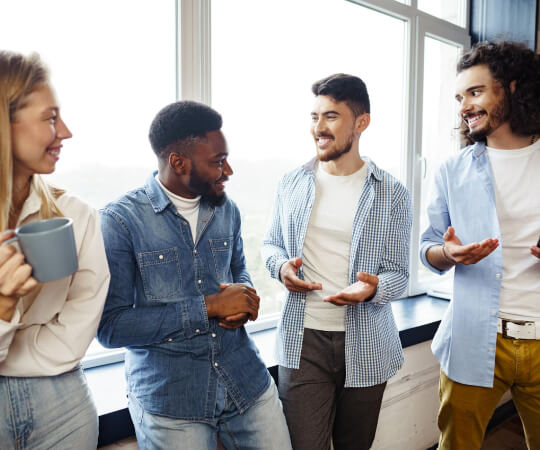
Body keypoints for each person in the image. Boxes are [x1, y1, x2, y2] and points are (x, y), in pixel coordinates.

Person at [97, 100, 292, 450]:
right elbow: (112, 327)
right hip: (172, 399)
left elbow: (239, 271)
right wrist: (209, 307)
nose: (228, 170)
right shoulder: (120, 221)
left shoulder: (227, 209)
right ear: (178, 162)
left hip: (245, 381)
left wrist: (244, 297)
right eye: (217, 161)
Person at [261, 73, 412, 450]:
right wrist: (281, 268)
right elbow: (270, 245)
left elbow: (400, 274)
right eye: (314, 117)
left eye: (330, 116)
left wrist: (374, 287)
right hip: (302, 340)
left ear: (361, 123)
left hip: (367, 342)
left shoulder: (391, 193)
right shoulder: (291, 182)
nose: (318, 128)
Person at [420, 41, 540, 449]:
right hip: (475, 337)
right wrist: (447, 254)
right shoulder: (452, 171)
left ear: (510, 88)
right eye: (458, 97)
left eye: (474, 92)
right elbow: (429, 249)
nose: (463, 106)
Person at [0, 51, 110, 449]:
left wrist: (7, 352)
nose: (65, 131)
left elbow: (78, 328)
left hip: (63, 403)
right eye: (50, 118)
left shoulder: (77, 216)